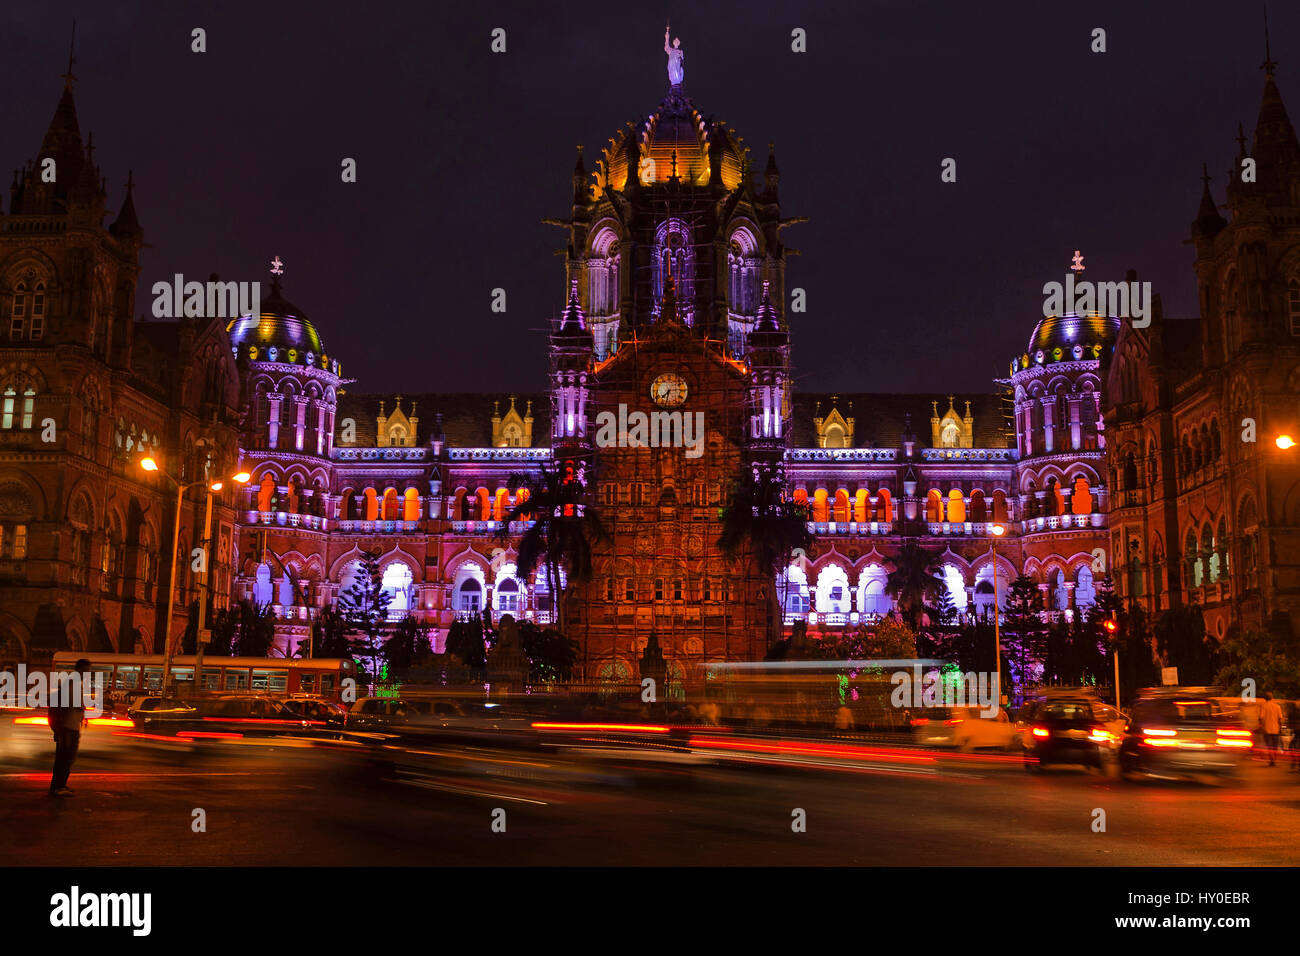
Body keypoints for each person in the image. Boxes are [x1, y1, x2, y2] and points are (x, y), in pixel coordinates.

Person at [48, 658, 92, 797]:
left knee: (65, 758)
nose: (88, 673)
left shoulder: (74, 684)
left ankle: (60, 785)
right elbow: (72, 704)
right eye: (87, 670)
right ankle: (58, 787)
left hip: (70, 726)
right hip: (67, 727)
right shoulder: (72, 684)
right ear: (81, 670)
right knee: (65, 758)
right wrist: (81, 708)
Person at [1260, 692, 1283, 767]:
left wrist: (1261, 726)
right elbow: (1280, 719)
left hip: (1266, 729)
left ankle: (1272, 760)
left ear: (1264, 698)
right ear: (1272, 698)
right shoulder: (1277, 706)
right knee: (1275, 746)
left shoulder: (1263, 706)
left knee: (1269, 746)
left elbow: (1261, 717)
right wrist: (1280, 727)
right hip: (1276, 729)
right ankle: (1273, 760)